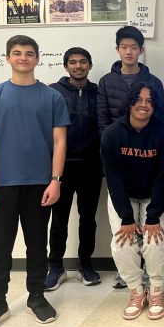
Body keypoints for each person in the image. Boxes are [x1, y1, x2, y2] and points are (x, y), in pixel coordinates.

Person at [0, 35, 70, 327]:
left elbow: (59, 141)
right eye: (17, 53)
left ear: (38, 58)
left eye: (29, 53)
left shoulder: (52, 97)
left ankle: (37, 296)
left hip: (40, 184)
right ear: (8, 58)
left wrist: (56, 180)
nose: (23, 58)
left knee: (38, 245)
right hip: (0, 185)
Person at [98, 25, 164, 289]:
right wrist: (116, 143)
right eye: (124, 47)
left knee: (153, 234)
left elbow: (160, 118)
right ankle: (132, 280)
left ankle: (154, 280)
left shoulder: (155, 83)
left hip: (150, 166)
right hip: (120, 162)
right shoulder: (107, 82)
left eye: (134, 47)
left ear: (141, 50)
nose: (128, 51)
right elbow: (103, 121)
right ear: (118, 49)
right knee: (124, 234)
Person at [101, 82, 164, 320]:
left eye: (149, 101)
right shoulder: (112, 134)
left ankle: (156, 290)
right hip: (124, 197)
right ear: (130, 102)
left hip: (153, 196)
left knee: (154, 241)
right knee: (122, 243)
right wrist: (126, 218)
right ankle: (136, 291)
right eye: (139, 100)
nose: (144, 105)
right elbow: (113, 178)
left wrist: (153, 217)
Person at [46, 47, 103, 290]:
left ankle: (86, 265)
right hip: (61, 168)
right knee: (58, 220)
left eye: (82, 62)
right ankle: (55, 267)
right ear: (65, 66)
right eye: (73, 62)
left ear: (90, 65)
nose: (78, 66)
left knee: (88, 220)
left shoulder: (99, 93)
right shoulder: (53, 92)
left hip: (91, 166)